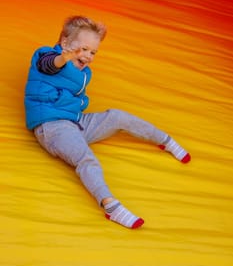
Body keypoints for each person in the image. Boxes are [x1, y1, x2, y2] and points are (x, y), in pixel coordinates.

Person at [24, 15, 191, 229]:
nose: (88, 56)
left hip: (76, 121)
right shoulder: (47, 56)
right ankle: (110, 206)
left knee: (117, 116)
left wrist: (88, 43)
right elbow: (49, 65)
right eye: (83, 49)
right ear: (65, 44)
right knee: (86, 158)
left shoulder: (85, 72)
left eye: (93, 52)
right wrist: (63, 58)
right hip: (52, 126)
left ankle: (165, 140)